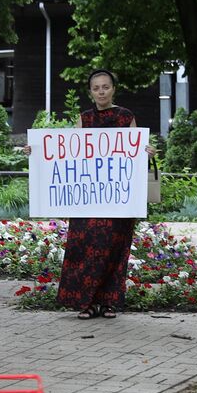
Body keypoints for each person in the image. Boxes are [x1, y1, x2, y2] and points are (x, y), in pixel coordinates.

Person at [56, 69, 149, 320]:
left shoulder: (125, 116)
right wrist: (37, 150)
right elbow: (70, 153)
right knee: (83, 248)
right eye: (96, 88)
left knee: (114, 248)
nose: (101, 92)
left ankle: (108, 303)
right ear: (90, 92)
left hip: (116, 198)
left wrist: (146, 151)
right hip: (89, 199)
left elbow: (134, 151)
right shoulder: (83, 119)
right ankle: (86, 303)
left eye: (105, 87)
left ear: (113, 89)